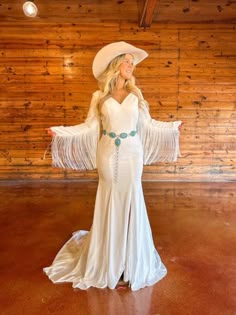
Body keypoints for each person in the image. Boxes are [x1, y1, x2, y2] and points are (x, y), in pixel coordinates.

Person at [43, 41, 182, 291]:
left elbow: (149, 125)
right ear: (116, 65)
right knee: (109, 199)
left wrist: (173, 127)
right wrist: (60, 133)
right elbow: (88, 127)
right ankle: (107, 262)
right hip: (106, 154)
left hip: (132, 155)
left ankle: (131, 263)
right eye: (127, 61)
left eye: (132, 62)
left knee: (131, 199)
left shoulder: (137, 96)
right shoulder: (99, 97)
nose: (132, 66)